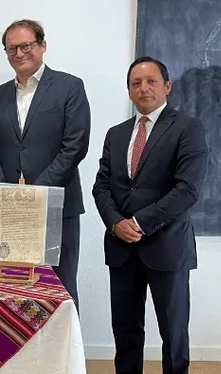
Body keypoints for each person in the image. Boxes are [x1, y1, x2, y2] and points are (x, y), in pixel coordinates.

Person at [92, 56, 208, 374]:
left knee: (173, 334)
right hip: (121, 248)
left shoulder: (188, 128)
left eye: (151, 81)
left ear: (167, 86)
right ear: (129, 91)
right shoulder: (116, 134)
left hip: (167, 248)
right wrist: (116, 222)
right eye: (136, 83)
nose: (143, 88)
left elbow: (187, 190)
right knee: (126, 333)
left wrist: (140, 223)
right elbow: (102, 186)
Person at [0, 19, 90, 309]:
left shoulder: (69, 87)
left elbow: (75, 146)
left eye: (25, 45)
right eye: (11, 48)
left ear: (42, 45)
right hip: (11, 211)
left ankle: (65, 356)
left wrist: (34, 193)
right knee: (13, 291)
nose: (19, 53)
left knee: (60, 289)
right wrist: (6, 192)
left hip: (57, 207)